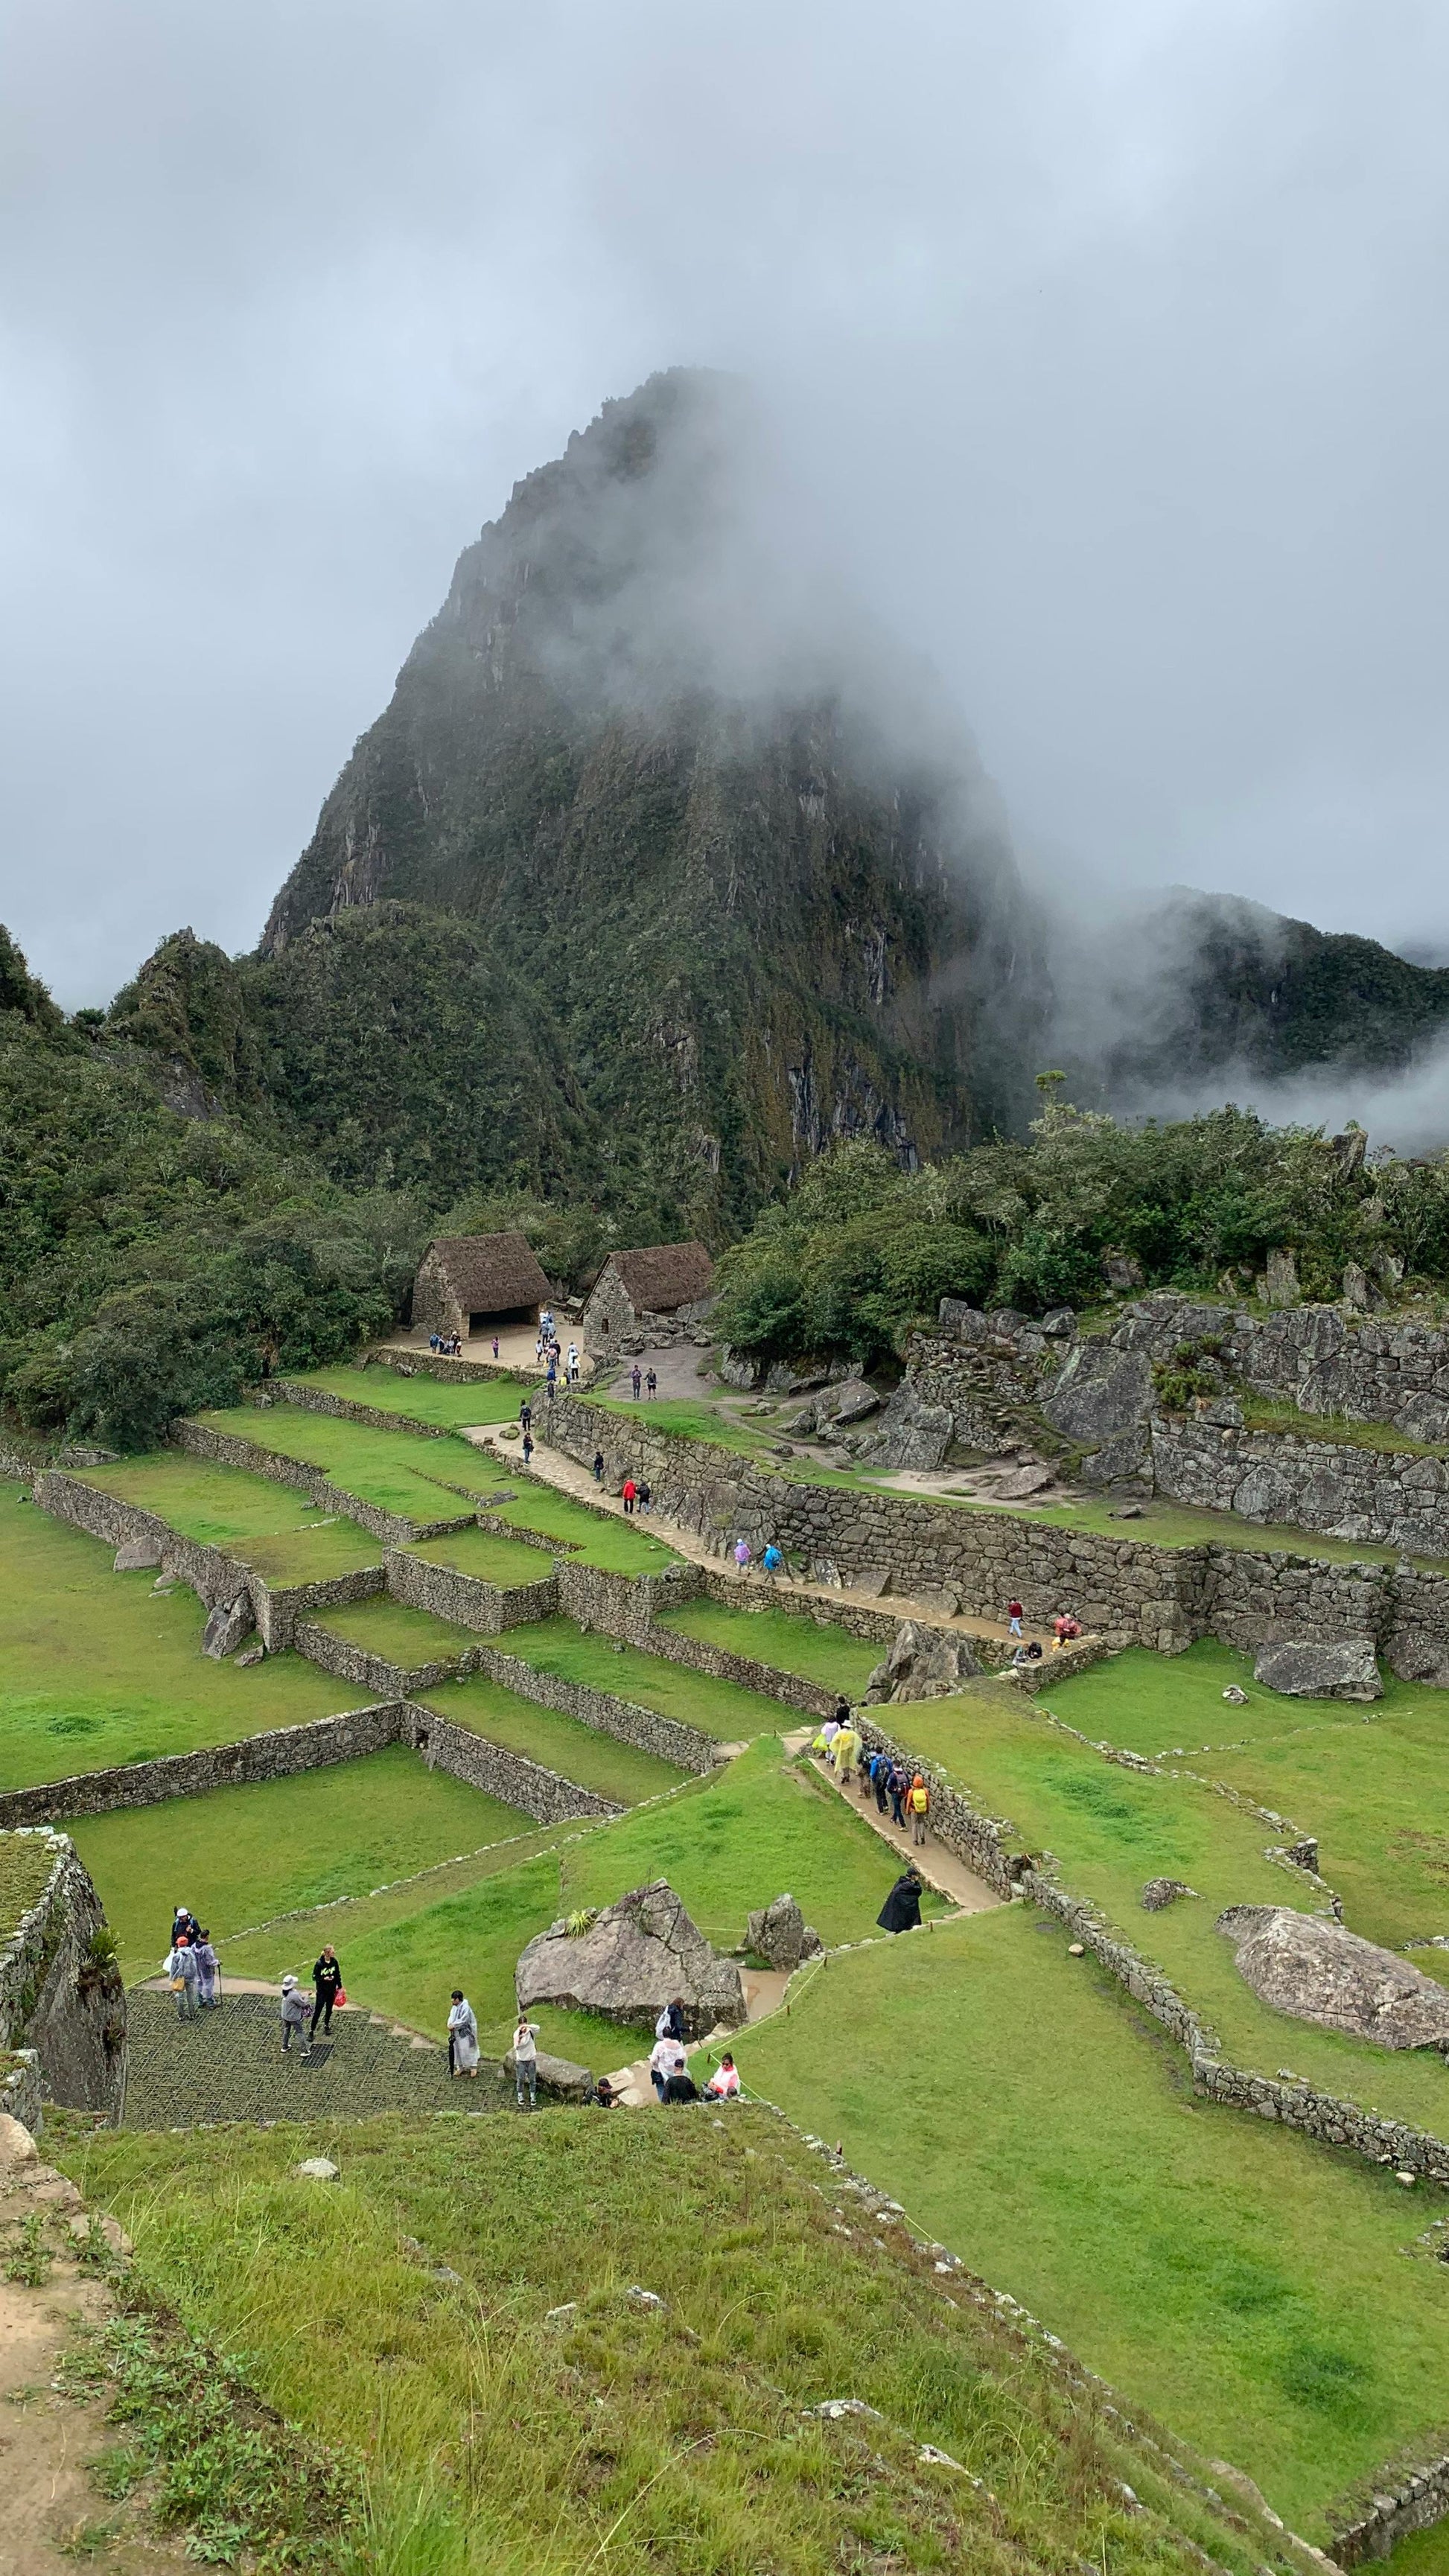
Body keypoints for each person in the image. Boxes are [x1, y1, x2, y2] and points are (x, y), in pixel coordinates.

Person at [164, 1933, 200, 2021]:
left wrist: (172, 1978)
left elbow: (173, 1968)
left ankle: (181, 2015)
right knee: (190, 1996)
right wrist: (195, 1975)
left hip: (179, 1978)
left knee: (179, 1997)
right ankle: (192, 2014)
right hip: (190, 1977)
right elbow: (194, 1965)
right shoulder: (191, 1953)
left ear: (178, 1944)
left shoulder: (176, 1955)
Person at [877, 1867, 923, 1934]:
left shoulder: (901, 1882)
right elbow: (918, 1891)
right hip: (902, 1906)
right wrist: (917, 1882)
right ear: (913, 1876)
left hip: (897, 1906)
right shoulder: (909, 1885)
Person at [310, 1945, 343, 2040]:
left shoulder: (334, 1962)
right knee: (318, 2011)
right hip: (322, 1992)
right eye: (333, 1952)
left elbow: (337, 1974)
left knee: (329, 2009)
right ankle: (312, 2030)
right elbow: (314, 1977)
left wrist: (340, 1986)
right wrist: (323, 1978)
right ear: (328, 1953)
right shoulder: (319, 1964)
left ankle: (326, 2024)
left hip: (331, 1990)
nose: (334, 1953)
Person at [448, 1991, 480, 2078]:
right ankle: (460, 2067)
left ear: (458, 1999)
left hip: (466, 2033)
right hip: (456, 2033)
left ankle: (473, 2067)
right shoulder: (454, 2008)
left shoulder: (466, 2008)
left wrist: (454, 2025)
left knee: (467, 2050)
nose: (452, 2001)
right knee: (457, 2050)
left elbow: (464, 2020)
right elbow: (451, 2017)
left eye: (454, 1999)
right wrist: (450, 2024)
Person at [512, 2015, 541, 2108]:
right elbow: (516, 2047)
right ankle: (520, 2095)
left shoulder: (530, 2031)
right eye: (522, 2025)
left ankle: (532, 2096)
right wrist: (520, 2037)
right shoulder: (517, 2034)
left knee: (532, 2079)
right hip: (521, 2060)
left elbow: (538, 2028)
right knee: (520, 2079)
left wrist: (528, 2027)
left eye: (524, 2024)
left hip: (531, 2059)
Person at [649, 2032, 685, 2102]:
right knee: (673, 2088)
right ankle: (674, 2103)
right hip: (674, 2072)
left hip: (659, 2071)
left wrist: (656, 2064)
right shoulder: (677, 2044)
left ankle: (664, 2104)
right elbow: (683, 2057)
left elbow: (653, 2060)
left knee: (661, 2088)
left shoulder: (659, 2045)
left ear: (663, 2035)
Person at [279, 1974, 310, 2057]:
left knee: (287, 2030)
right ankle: (304, 2050)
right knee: (299, 2032)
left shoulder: (284, 1992)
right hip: (293, 2017)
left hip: (285, 2015)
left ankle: (285, 2046)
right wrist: (307, 1996)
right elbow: (303, 2004)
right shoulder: (294, 1994)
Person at [194, 1928, 219, 2009]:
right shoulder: (206, 1948)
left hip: (197, 1968)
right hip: (206, 1969)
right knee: (208, 1985)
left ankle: (200, 2001)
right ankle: (210, 2003)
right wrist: (217, 1962)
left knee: (199, 1983)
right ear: (207, 1937)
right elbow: (210, 1961)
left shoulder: (194, 1946)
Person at [833, 1719, 862, 1785]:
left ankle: (843, 1775)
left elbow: (834, 1741)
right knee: (847, 1763)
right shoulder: (852, 1734)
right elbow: (858, 1741)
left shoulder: (840, 1733)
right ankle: (847, 1775)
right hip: (849, 1751)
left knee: (841, 1763)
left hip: (841, 1751)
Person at [908, 1772, 931, 1845]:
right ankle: (922, 1838)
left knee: (914, 1824)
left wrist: (907, 1810)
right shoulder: (925, 1791)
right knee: (921, 1823)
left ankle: (915, 1840)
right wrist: (927, 1809)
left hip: (914, 1810)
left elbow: (908, 1801)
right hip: (922, 1809)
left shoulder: (912, 1791)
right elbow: (928, 1801)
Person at [888, 1760, 909, 1829]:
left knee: (898, 1808)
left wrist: (892, 1792)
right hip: (902, 1793)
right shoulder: (904, 1773)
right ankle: (894, 1819)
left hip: (895, 1793)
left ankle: (903, 1825)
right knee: (897, 1806)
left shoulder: (892, 1775)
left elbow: (889, 1786)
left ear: (894, 1765)